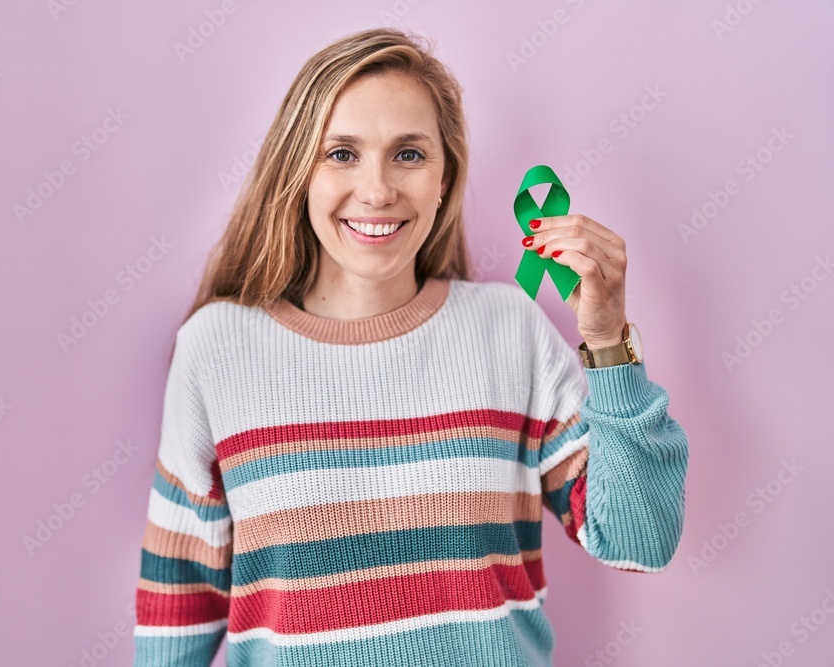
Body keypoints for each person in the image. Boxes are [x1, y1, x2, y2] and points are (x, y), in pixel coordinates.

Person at [131, 27, 689, 667]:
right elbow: (179, 605)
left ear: (446, 177)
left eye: (409, 154)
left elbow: (638, 539)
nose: (376, 190)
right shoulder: (217, 348)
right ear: (298, 172)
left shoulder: (510, 329)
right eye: (341, 153)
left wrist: (608, 341)